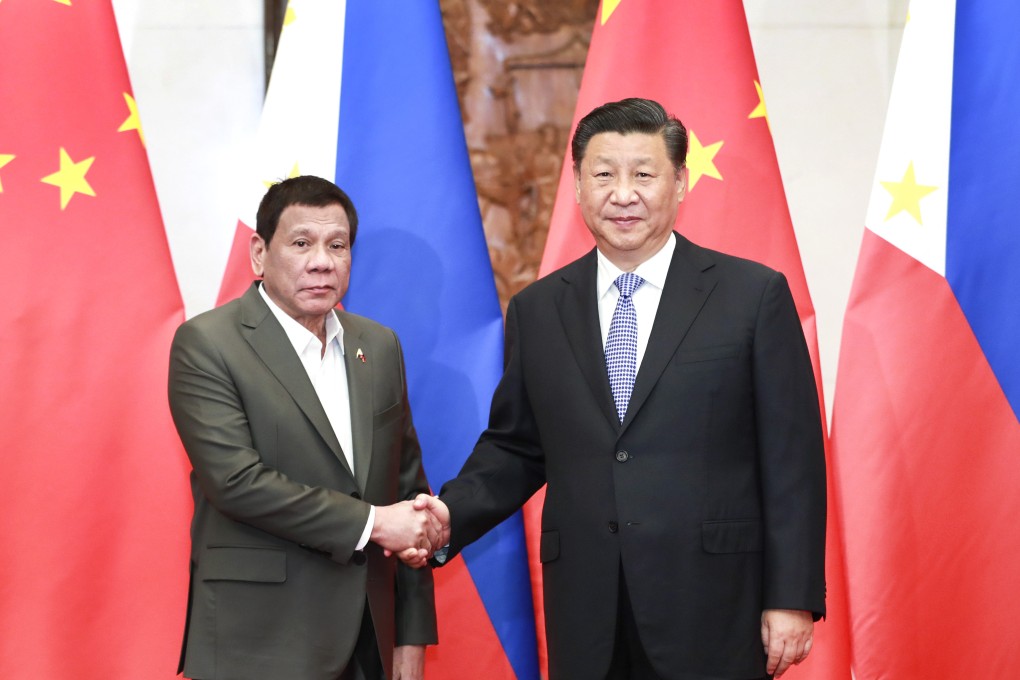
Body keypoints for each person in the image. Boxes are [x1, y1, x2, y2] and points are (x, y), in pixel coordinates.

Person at [414, 98, 826, 679]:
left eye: (644, 174)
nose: (623, 193)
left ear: (680, 183)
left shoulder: (752, 296)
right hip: (588, 609)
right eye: (604, 174)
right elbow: (518, 446)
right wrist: (447, 518)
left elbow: (793, 460)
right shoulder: (538, 309)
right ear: (578, 186)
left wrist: (791, 596)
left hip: (714, 605)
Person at [169, 175, 437, 680]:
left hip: (368, 641)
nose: (322, 261)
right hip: (258, 643)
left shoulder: (378, 347)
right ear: (258, 253)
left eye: (337, 245)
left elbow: (408, 493)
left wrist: (410, 633)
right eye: (300, 243)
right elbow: (236, 483)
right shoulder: (207, 344)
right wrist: (374, 523)